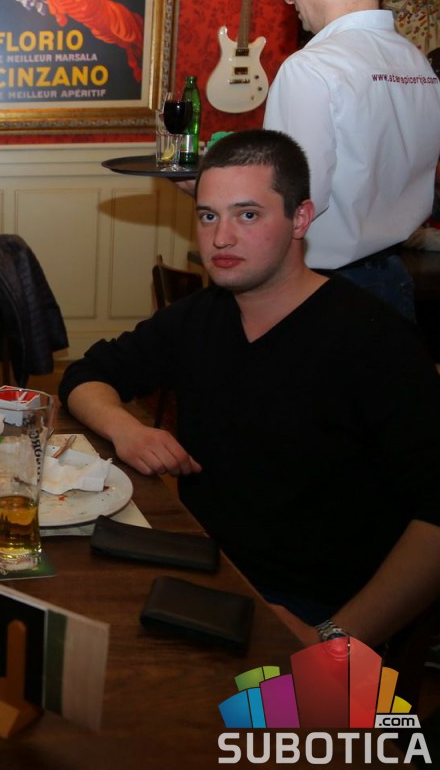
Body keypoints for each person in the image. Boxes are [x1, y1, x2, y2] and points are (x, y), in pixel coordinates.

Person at [59, 130, 440, 647]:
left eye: (248, 215)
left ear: (300, 219)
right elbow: (85, 375)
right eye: (208, 216)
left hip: (319, 610)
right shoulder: (201, 316)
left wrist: (333, 641)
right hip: (206, 572)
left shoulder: (374, 341)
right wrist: (127, 429)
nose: (221, 238)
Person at [262, 0, 440, 318]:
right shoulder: (415, 61)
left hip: (323, 293)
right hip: (395, 280)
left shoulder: (310, 67)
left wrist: (210, 194)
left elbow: (290, 202)